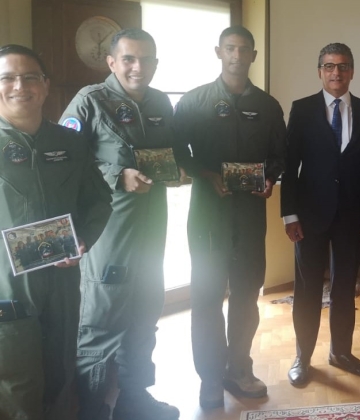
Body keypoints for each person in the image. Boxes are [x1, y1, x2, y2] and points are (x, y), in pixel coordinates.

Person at [59, 28, 183, 420]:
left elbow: (169, 152)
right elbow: (62, 160)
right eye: (128, 59)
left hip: (151, 234)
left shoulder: (161, 102)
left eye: (146, 59)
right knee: (101, 323)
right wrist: (117, 174)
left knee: (145, 318)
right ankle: (91, 409)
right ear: (111, 62)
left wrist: (177, 169)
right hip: (108, 236)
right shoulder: (89, 102)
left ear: (156, 64)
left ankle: (134, 401)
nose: (138, 67)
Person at [172, 26, 285, 409]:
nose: (237, 55)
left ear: (253, 55)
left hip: (251, 215)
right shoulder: (194, 101)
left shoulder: (268, 106)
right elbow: (177, 153)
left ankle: (239, 368)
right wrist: (207, 175)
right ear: (218, 52)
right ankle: (209, 377)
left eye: (244, 50)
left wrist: (269, 178)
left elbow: (281, 155)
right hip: (208, 215)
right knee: (205, 298)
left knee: (246, 297)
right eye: (230, 49)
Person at [0, 44, 111, 420]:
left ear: (45, 86)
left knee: (61, 373)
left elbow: (98, 202)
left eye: (30, 77)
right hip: (6, 290)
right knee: (18, 384)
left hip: (63, 282)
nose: (20, 85)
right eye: (8, 77)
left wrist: (83, 240)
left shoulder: (69, 143)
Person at [280, 42, 360, 385]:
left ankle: (341, 351)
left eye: (342, 66)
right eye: (328, 66)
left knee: (344, 289)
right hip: (308, 219)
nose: (335, 72)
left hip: (351, 218)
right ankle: (302, 357)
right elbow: (289, 166)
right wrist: (289, 215)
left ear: (351, 71)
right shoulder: (302, 109)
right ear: (320, 71)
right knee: (308, 289)